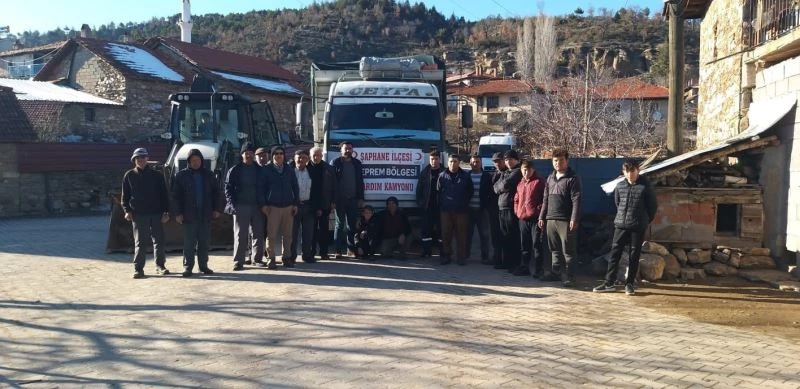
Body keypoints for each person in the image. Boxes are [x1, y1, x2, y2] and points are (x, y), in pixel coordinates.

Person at [594, 159, 658, 295]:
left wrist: (644, 221)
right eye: (627, 171)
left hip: (637, 226)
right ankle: (609, 283)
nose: (630, 174)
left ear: (638, 171)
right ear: (624, 172)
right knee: (615, 254)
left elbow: (652, 208)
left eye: (633, 171)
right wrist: (622, 218)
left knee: (634, 255)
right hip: (621, 225)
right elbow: (618, 204)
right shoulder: (620, 186)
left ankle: (629, 284)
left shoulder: (645, 187)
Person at [171, 149, 222, 277]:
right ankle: (188, 267)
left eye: (197, 160)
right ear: (188, 162)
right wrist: (178, 213)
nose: (195, 162)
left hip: (205, 214)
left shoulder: (209, 175)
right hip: (189, 216)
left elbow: (217, 194)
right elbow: (175, 197)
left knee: (204, 243)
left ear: (201, 161)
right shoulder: (181, 176)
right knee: (189, 243)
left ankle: (203, 266)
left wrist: (217, 209)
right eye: (193, 160)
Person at [121, 147, 170, 279]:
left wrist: (166, 212)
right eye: (138, 158)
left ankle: (160, 266)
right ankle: (138, 269)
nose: (141, 160)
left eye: (143, 157)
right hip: (138, 214)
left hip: (156, 213)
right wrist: (127, 210)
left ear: (147, 159)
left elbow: (164, 195)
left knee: (159, 241)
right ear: (134, 160)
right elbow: (125, 196)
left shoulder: (157, 176)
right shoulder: (129, 176)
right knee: (140, 242)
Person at [538, 149, 582, 287]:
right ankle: (555, 272)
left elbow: (577, 200)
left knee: (568, 250)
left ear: (567, 161)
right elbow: (545, 199)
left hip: (565, 220)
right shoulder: (550, 178)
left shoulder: (573, 178)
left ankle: (570, 276)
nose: (558, 163)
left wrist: (574, 218)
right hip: (551, 218)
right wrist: (542, 216)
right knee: (554, 249)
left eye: (561, 160)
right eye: (555, 160)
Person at [225, 142, 265, 271]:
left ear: (254, 155)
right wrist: (232, 204)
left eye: (251, 153)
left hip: (257, 206)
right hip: (240, 206)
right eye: (246, 153)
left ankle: (257, 259)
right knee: (240, 235)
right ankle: (238, 261)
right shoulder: (235, 170)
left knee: (258, 234)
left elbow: (265, 188)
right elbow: (228, 188)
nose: (248, 155)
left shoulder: (259, 170)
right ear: (242, 154)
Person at [263, 146, 300, 268]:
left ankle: (286, 258)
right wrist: (264, 204)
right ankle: (271, 258)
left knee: (288, 235)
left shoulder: (289, 169)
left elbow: (295, 187)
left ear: (284, 156)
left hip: (288, 207)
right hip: (272, 207)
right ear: (272, 155)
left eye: (281, 153)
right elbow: (261, 189)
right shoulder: (266, 170)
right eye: (276, 153)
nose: (279, 155)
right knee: (271, 235)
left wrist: (295, 204)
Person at [438, 154, 473, 265]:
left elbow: (470, 191)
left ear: (459, 162)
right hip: (446, 211)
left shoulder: (466, 176)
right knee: (446, 234)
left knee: (461, 235)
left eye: (455, 161)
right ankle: (446, 255)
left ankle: (461, 257)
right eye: (451, 161)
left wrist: (463, 202)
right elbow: (438, 192)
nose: (452, 163)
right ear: (448, 163)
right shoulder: (442, 176)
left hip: (461, 211)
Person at [331, 141, 364, 258]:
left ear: (352, 150)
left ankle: (350, 250)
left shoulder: (357, 163)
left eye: (350, 148)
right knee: (339, 225)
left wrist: (360, 198)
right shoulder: (335, 163)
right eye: (345, 149)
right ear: (341, 150)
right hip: (339, 200)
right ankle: (338, 250)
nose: (348, 151)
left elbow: (360, 182)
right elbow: (331, 183)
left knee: (351, 226)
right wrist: (332, 200)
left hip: (353, 199)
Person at [514, 159, 545, 277]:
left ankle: (538, 269)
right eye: (523, 170)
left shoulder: (539, 182)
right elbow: (516, 199)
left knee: (537, 244)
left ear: (533, 170)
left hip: (535, 219)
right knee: (524, 244)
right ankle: (524, 267)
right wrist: (517, 211)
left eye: (528, 170)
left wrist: (538, 212)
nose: (525, 172)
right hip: (522, 218)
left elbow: (544, 200)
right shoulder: (520, 183)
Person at [494, 150, 523, 271]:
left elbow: (506, 185)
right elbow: (495, 188)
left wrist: (501, 187)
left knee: (513, 237)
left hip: (511, 208)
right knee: (504, 236)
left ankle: (514, 263)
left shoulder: (517, 172)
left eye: (511, 159)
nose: (508, 161)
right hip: (502, 207)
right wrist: (501, 187)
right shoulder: (505, 172)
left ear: (516, 160)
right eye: (506, 160)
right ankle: (506, 261)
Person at [307, 146, 337, 260]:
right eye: (314, 155)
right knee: (311, 230)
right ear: (310, 156)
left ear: (321, 156)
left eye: (318, 155)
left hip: (325, 203)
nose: (316, 157)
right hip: (310, 204)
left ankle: (324, 252)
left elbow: (334, 186)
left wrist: (333, 201)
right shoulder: (306, 168)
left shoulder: (328, 168)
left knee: (324, 230)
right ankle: (311, 251)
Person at [416, 150, 443, 258]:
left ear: (439, 159)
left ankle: (443, 251)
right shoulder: (425, 172)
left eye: (436, 159)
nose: (434, 161)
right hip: (427, 207)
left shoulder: (445, 172)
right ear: (429, 159)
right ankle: (426, 250)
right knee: (426, 230)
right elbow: (419, 190)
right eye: (432, 159)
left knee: (441, 231)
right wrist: (421, 203)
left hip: (441, 207)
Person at [290, 149, 316, 263]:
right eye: (299, 157)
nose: (301, 160)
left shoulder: (312, 171)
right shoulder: (289, 172)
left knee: (308, 233)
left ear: (308, 160)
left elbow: (317, 190)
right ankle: (291, 256)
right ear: (294, 159)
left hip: (308, 206)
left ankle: (307, 255)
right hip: (293, 207)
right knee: (292, 233)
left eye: (304, 158)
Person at [483, 152, 506, 266]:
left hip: (504, 210)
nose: (497, 163)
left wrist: (495, 188)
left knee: (504, 235)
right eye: (495, 161)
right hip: (493, 209)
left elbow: (499, 188)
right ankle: (496, 257)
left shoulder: (507, 173)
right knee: (495, 235)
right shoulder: (493, 174)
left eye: (499, 161)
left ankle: (504, 259)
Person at [467, 154, 491, 264]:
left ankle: (485, 257)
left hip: (482, 210)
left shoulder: (487, 176)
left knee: (484, 235)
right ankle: (465, 255)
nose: (475, 164)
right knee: (467, 234)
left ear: (481, 163)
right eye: (473, 162)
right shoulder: (466, 176)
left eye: (477, 162)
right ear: (470, 163)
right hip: (469, 210)